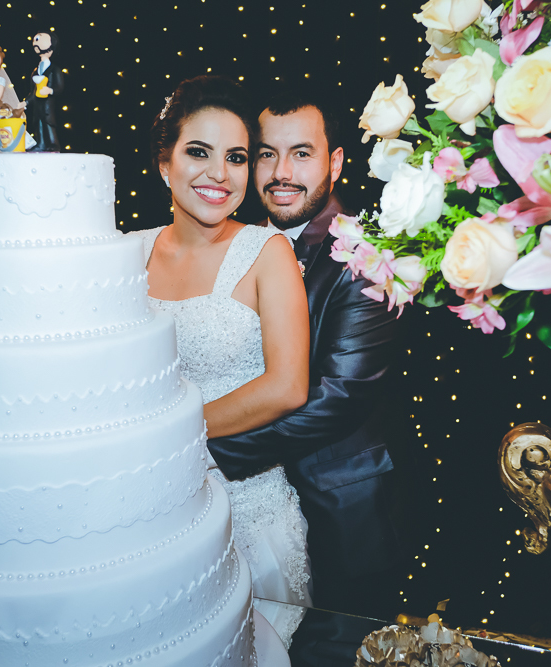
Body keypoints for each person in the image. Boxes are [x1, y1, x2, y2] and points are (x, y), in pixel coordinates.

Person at [205, 92, 404, 666]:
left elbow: (339, 396)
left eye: (301, 154)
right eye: (267, 154)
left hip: (336, 507)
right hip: (241, 515)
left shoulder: (366, 254)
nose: (281, 173)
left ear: (335, 162)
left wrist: (207, 455)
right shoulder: (239, 245)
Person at [129, 76, 312, 648]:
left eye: (236, 157)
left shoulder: (267, 252)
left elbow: (288, 386)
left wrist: (168, 435)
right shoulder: (126, 253)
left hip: (247, 512)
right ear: (164, 163)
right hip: (145, 509)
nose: (220, 174)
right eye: (198, 152)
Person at [22, 31, 63, 152]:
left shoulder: (54, 69)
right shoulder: (36, 71)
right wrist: (25, 102)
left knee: (48, 123)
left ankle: (53, 144)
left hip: (48, 105)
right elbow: (33, 92)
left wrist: (50, 90)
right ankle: (41, 143)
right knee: (38, 123)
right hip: (37, 105)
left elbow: (59, 87)